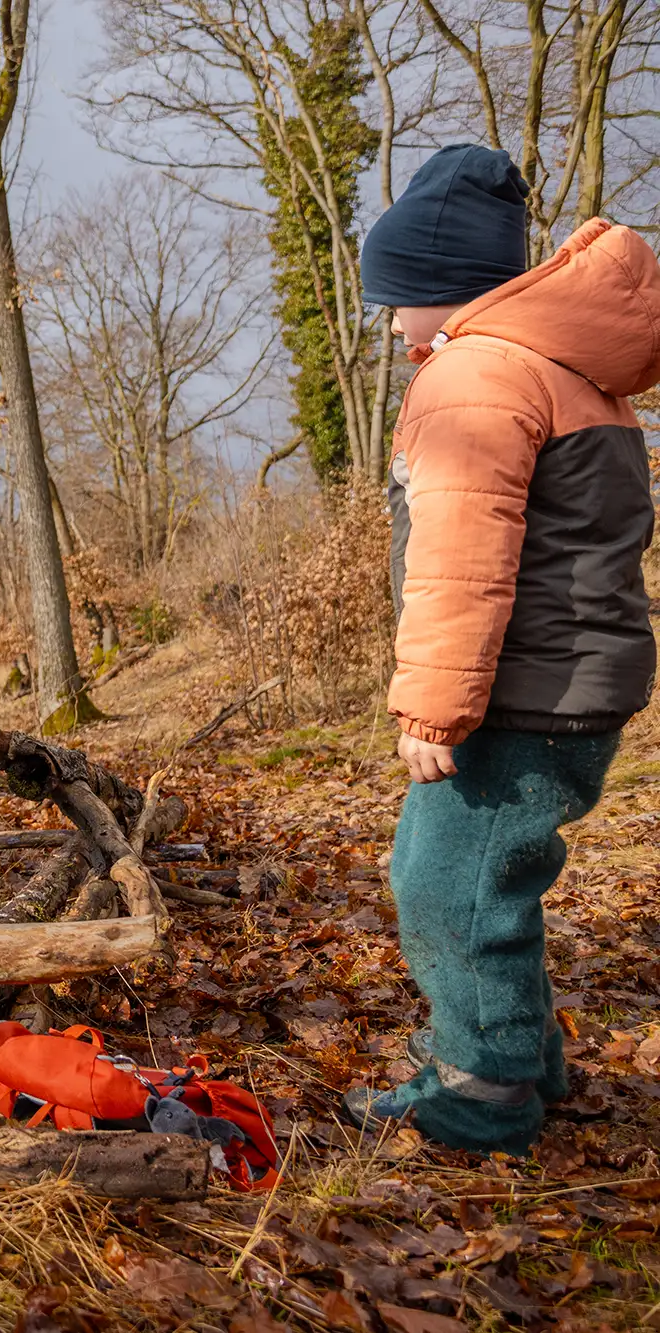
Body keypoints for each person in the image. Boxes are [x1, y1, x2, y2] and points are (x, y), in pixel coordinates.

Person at [343, 145, 660, 1154]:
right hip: (568, 679)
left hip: (519, 691)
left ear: (440, 294)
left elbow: (459, 559)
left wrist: (430, 706)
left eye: (395, 302)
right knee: (482, 871)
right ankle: (520, 1054)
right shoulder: (562, 371)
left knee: (447, 882)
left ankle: (482, 1089)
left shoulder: (474, 375)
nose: (391, 327)